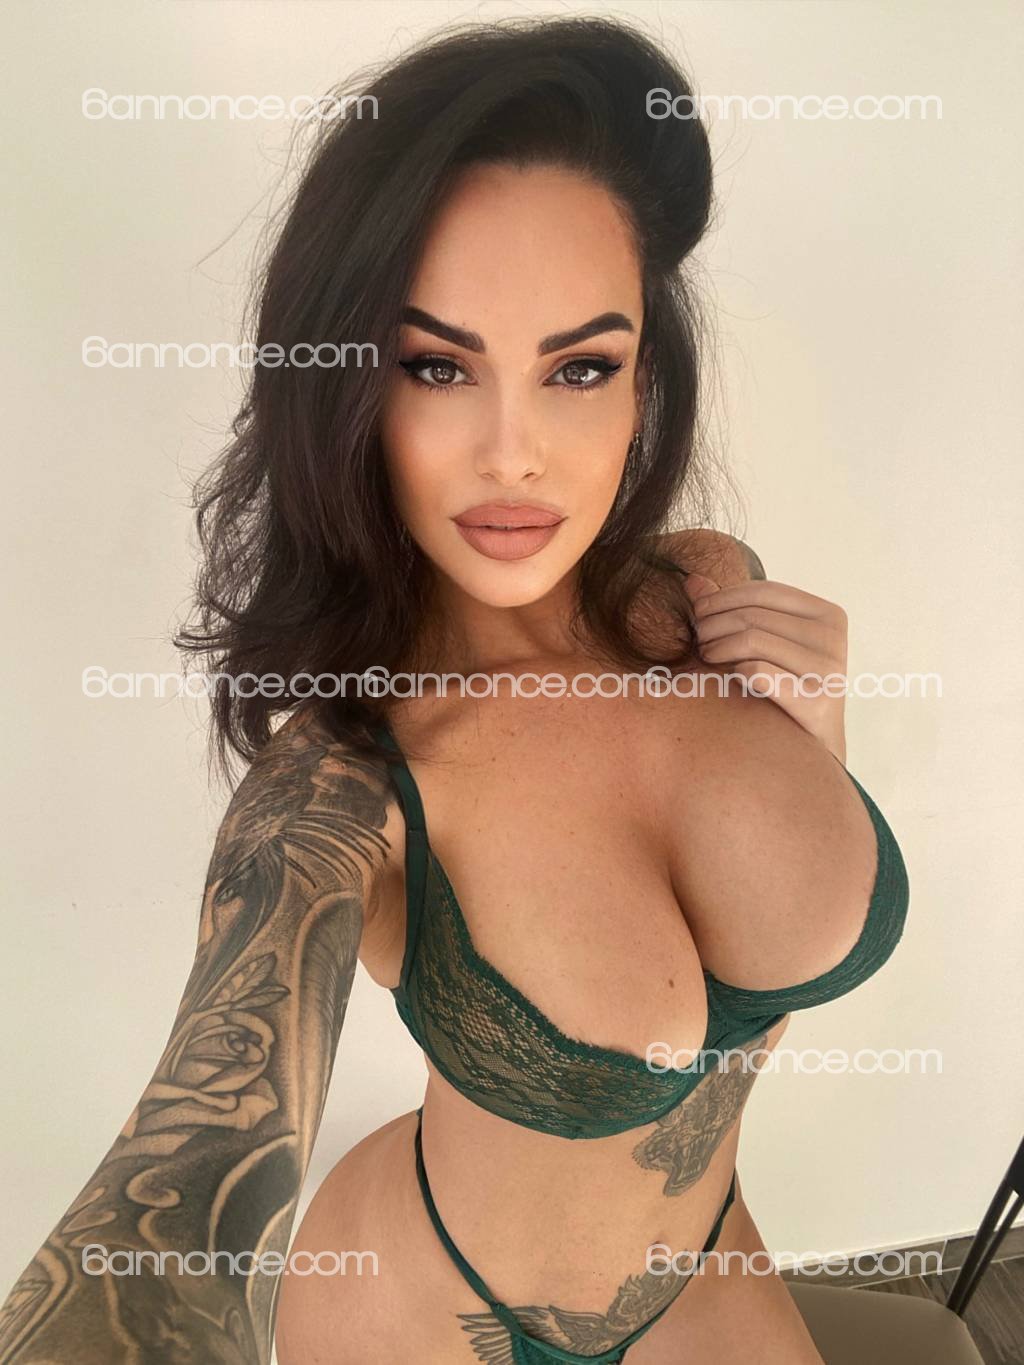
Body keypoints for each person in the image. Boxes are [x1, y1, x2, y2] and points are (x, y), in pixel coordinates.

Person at [0, 17, 909, 1364]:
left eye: (579, 367)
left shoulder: (702, 594)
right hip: (423, 1311)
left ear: (644, 379)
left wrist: (812, 734)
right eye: (436, 365)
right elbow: (183, 1174)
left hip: (711, 1268)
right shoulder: (339, 785)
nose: (514, 452)